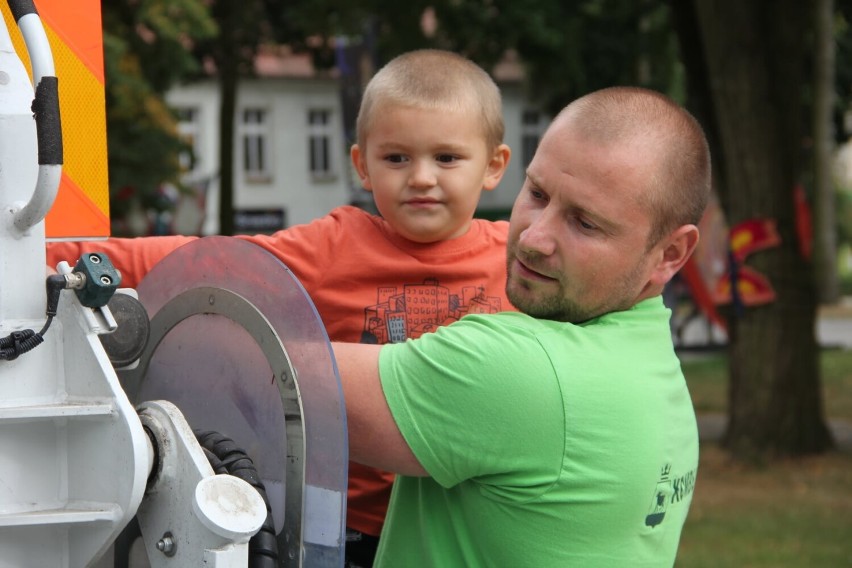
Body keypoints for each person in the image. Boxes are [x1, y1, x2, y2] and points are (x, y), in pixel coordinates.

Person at [46, 49, 514, 566]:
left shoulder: (519, 259)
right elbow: (203, 260)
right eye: (397, 158)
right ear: (362, 164)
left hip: (471, 520)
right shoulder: (333, 247)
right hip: (348, 528)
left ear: (494, 166)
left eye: (446, 158)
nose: (421, 177)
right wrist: (43, 257)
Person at [331, 86, 711, 567]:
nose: (534, 237)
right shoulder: (656, 368)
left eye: (585, 223)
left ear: (671, 253)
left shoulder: (522, 371)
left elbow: (263, 373)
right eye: (536, 193)